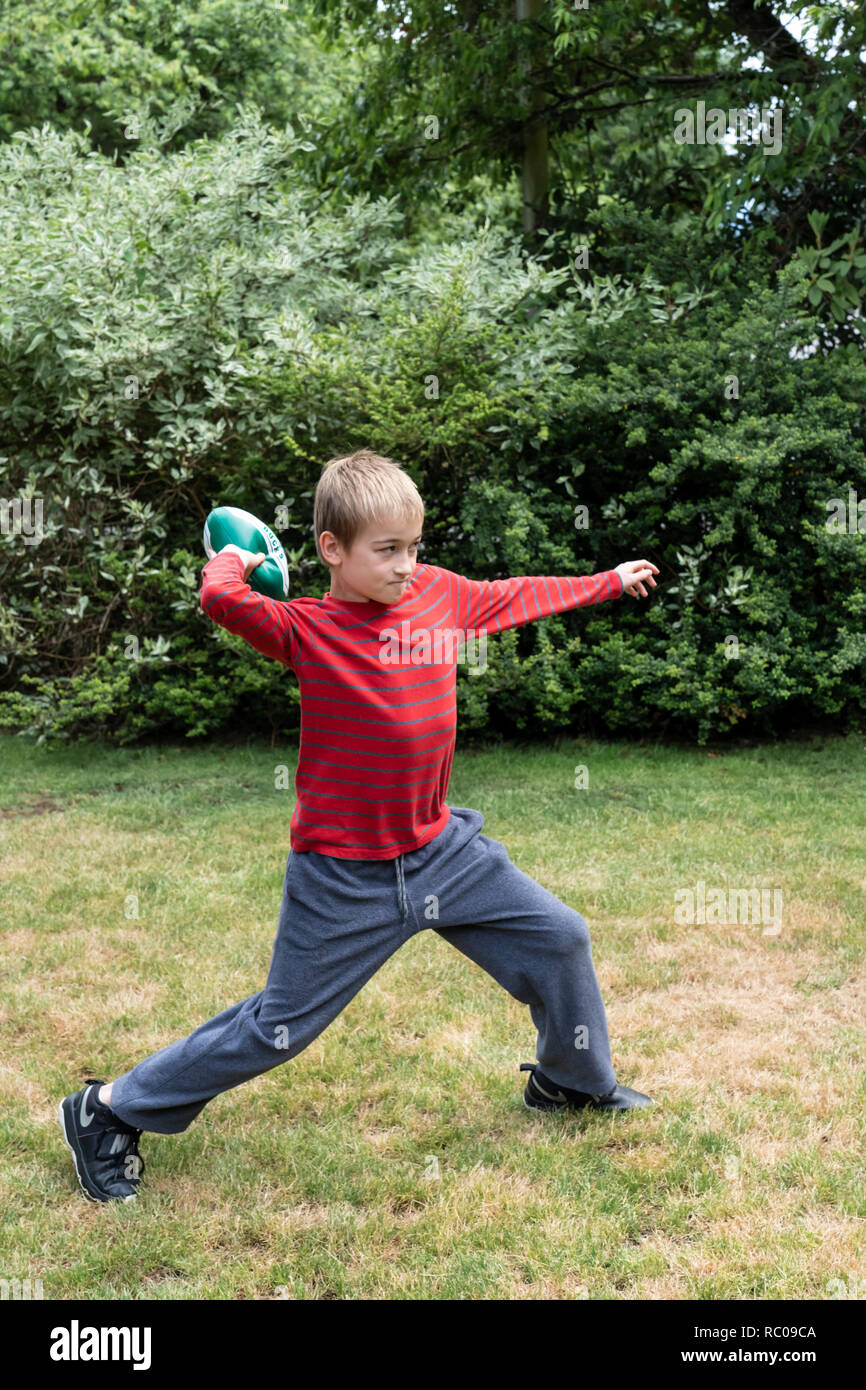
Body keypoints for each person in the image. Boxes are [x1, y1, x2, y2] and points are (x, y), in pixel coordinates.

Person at [59, 449, 659, 1203]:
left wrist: (608, 581)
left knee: (561, 936)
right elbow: (222, 600)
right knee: (278, 1026)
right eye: (388, 551)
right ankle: (106, 1110)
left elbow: (513, 596)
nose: (407, 565)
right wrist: (238, 557)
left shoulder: (439, 595)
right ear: (331, 551)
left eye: (414, 547)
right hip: (344, 873)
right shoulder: (306, 629)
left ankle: (571, 1083)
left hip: (444, 851)